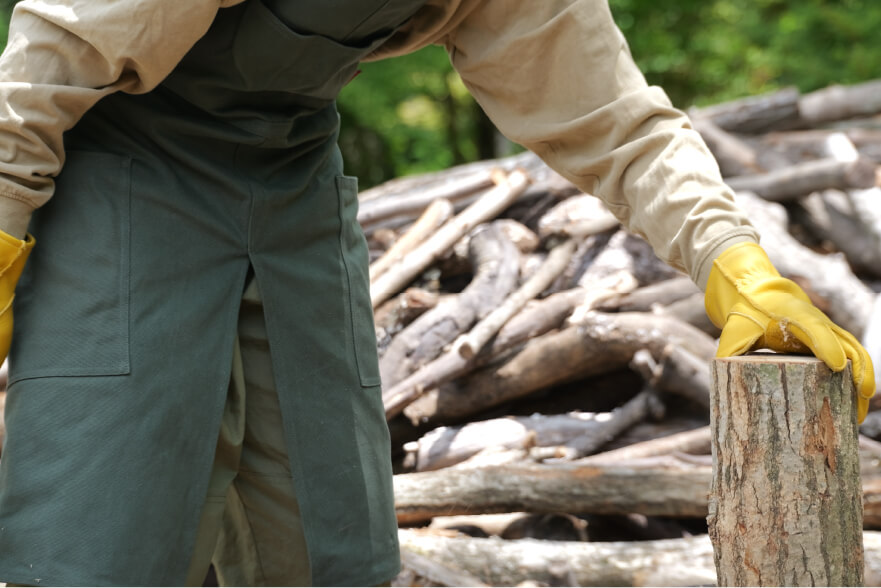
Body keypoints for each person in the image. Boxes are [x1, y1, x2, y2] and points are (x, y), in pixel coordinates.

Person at [0, 0, 873, 585]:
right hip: (118, 175)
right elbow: (46, 66)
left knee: (329, 544)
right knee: (100, 535)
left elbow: (614, 118)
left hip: (293, 178)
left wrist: (734, 260)